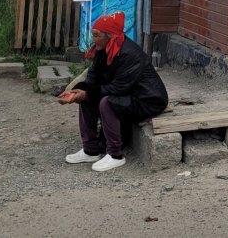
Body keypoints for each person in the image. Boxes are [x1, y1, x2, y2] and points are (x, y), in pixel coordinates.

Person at [59, 12, 168, 172]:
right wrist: (80, 91)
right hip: (127, 94)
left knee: (107, 102)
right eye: (93, 35)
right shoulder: (102, 48)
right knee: (86, 98)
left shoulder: (130, 54)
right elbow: (93, 77)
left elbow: (118, 88)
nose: (94, 40)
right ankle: (90, 150)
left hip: (148, 100)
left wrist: (88, 93)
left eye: (97, 36)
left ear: (109, 35)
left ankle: (115, 155)